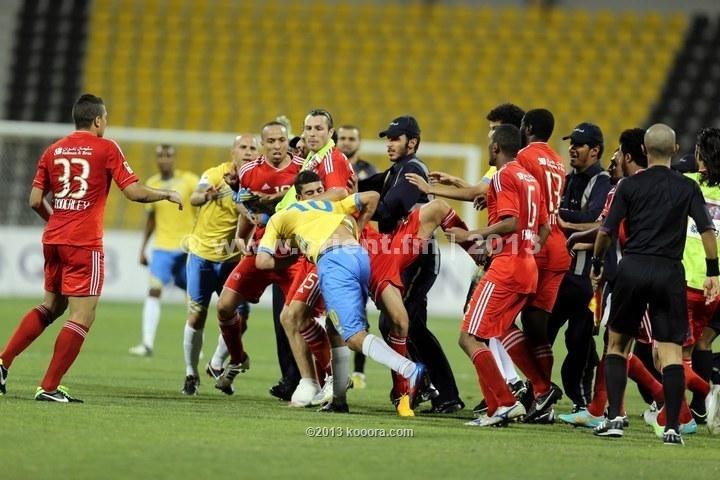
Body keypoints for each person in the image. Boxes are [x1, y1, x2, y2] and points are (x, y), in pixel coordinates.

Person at [0, 93, 183, 402]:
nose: (106, 123)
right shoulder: (106, 148)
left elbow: (34, 200)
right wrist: (165, 193)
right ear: (98, 120)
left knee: (50, 307)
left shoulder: (53, 150)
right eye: (106, 118)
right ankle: (48, 387)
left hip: (54, 239)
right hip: (84, 243)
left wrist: (56, 221)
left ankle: (3, 362)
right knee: (82, 316)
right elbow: (134, 193)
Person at [590, 123, 720, 445]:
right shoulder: (687, 187)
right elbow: (706, 230)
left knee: (617, 345)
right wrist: (713, 271)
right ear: (676, 150)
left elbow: (606, 232)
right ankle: (673, 427)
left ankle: (615, 418)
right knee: (672, 352)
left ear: (645, 151)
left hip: (632, 267)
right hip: (669, 271)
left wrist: (596, 264)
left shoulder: (628, 187)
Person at [255, 186, 434, 414]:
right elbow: (372, 197)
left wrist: (288, 259)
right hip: (359, 256)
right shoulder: (326, 205)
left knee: (353, 336)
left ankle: (408, 369)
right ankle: (339, 401)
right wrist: (358, 228)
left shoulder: (278, 218)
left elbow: (262, 262)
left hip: (333, 260)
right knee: (333, 328)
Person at [359, 115, 464, 414]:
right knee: (408, 324)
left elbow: (392, 207)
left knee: (399, 322)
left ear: (412, 142)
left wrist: (359, 207)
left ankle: (436, 388)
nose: (389, 144)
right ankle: (435, 389)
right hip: (402, 255)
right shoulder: (395, 171)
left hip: (418, 256)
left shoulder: (412, 169)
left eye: (395, 138)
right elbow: (361, 186)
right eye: (387, 139)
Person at [446, 124, 548, 426]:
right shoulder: (530, 179)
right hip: (527, 265)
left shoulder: (504, 176)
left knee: (468, 337)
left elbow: (512, 221)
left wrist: (476, 232)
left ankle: (504, 402)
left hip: (508, 266)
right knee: (497, 332)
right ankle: (520, 396)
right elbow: (542, 224)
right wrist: (528, 247)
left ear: (496, 148)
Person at [213, 121, 304, 394]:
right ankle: (238, 359)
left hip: (293, 253)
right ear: (263, 145)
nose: (277, 146)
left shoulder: (303, 167)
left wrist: (270, 201)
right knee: (224, 307)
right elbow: (249, 212)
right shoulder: (248, 171)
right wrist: (242, 237)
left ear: (288, 141)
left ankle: (321, 380)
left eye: (281, 140)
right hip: (261, 250)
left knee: (303, 318)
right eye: (271, 141)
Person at [181, 133, 259, 396]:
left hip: (232, 259)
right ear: (232, 151)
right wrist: (208, 196)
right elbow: (194, 197)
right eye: (243, 147)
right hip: (202, 255)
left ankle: (215, 362)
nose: (248, 152)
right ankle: (191, 374)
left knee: (242, 318)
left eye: (252, 148)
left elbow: (252, 214)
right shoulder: (215, 173)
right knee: (197, 315)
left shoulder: (256, 181)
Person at [551, 122, 612, 411]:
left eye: (579, 144)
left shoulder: (601, 181)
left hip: (588, 280)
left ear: (595, 150)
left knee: (579, 340)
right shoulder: (567, 178)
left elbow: (599, 222)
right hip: (561, 276)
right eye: (571, 143)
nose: (572, 148)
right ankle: (540, 391)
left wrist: (562, 219)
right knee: (542, 333)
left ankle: (582, 399)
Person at [129, 145, 199, 357]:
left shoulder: (189, 181)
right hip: (161, 248)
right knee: (154, 290)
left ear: (174, 158)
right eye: (160, 155)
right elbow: (151, 219)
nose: (164, 159)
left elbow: (202, 208)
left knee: (193, 297)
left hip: (187, 247)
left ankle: (194, 345)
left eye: (168, 155)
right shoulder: (152, 184)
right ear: (156, 159)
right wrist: (142, 248)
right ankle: (147, 344)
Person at [336, 124, 377, 389]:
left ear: (359, 143)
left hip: (359, 240)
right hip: (333, 238)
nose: (347, 142)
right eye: (343, 138)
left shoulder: (368, 170)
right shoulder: (330, 170)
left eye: (352, 138)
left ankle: (358, 371)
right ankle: (334, 373)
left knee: (358, 306)